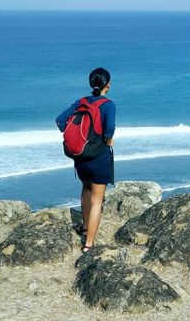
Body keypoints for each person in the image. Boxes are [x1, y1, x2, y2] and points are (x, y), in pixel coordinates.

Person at [56, 67, 115, 253]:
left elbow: (60, 121)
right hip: (98, 157)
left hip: (80, 157)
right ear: (108, 85)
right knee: (97, 200)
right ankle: (89, 243)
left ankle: (84, 224)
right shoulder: (108, 105)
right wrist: (107, 140)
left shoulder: (81, 101)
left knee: (86, 189)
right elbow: (109, 131)